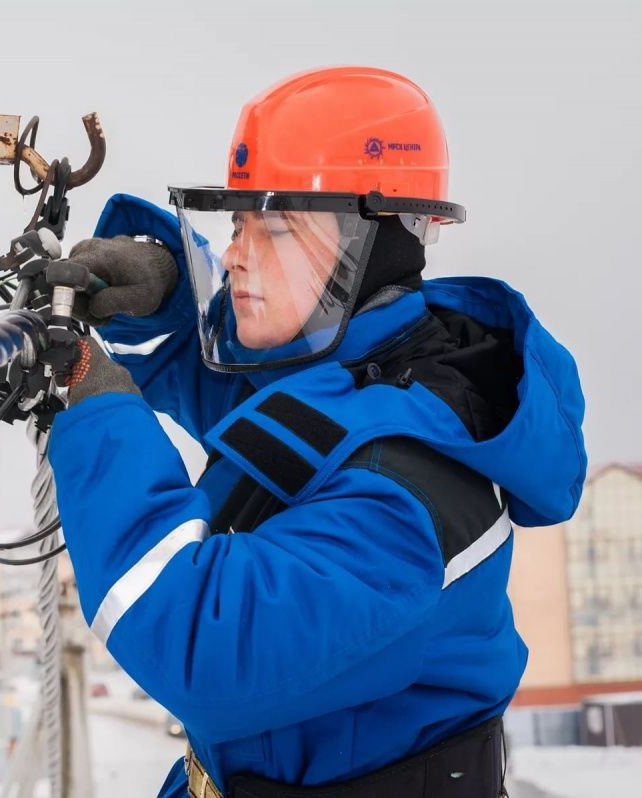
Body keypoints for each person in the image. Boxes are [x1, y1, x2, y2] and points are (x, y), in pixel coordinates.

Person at [48, 65, 587, 798]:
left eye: (273, 227)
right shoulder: (374, 377)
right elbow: (271, 433)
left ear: (372, 247)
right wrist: (173, 301)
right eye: (237, 223)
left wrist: (98, 410)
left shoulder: (405, 496)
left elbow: (198, 641)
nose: (236, 253)